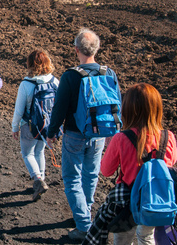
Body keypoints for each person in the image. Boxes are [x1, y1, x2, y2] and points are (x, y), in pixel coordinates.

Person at [46, 28, 121, 241]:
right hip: (99, 134)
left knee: (71, 178)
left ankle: (84, 224)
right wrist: (112, 131)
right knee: (90, 175)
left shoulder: (71, 76)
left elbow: (59, 107)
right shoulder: (109, 73)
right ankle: (84, 213)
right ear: (96, 49)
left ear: (76, 49)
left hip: (75, 135)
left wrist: (52, 133)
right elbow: (117, 105)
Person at [83, 83, 177, 245]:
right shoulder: (168, 137)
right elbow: (170, 163)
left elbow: (106, 171)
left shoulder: (121, 138)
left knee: (122, 240)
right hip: (155, 199)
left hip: (126, 202)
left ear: (127, 109)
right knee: (146, 236)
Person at [11, 49, 60, 201]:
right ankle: (42, 179)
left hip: (29, 125)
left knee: (27, 154)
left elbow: (19, 110)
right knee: (39, 152)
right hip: (47, 125)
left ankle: (38, 180)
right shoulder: (55, 82)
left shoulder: (26, 84)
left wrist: (15, 127)